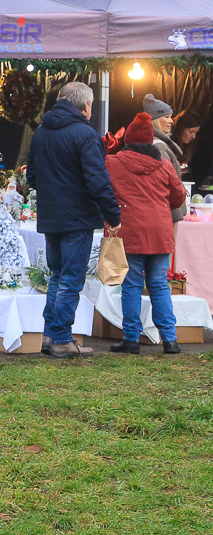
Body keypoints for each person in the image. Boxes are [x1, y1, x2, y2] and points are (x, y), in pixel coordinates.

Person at [27, 82, 121, 359]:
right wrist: (113, 214)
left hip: (51, 215)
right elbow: (97, 180)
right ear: (86, 106)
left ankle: (49, 336)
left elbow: (31, 176)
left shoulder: (41, 132)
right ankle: (61, 339)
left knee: (57, 276)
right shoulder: (85, 134)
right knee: (70, 278)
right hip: (78, 217)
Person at [105, 113, 187, 354]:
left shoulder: (112, 163)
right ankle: (169, 339)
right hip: (160, 232)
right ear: (151, 140)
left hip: (130, 232)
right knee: (159, 285)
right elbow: (178, 197)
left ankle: (131, 338)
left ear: (128, 139)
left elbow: (103, 192)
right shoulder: (164, 165)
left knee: (131, 285)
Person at [143, 94, 186, 222]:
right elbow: (165, 183)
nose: (171, 121)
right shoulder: (159, 147)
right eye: (166, 117)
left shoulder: (152, 143)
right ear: (155, 120)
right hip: (167, 211)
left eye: (171, 117)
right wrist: (175, 214)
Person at [170, 109, 201, 175]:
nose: (194, 137)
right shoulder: (168, 146)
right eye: (191, 132)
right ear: (181, 128)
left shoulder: (189, 148)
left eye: (195, 133)